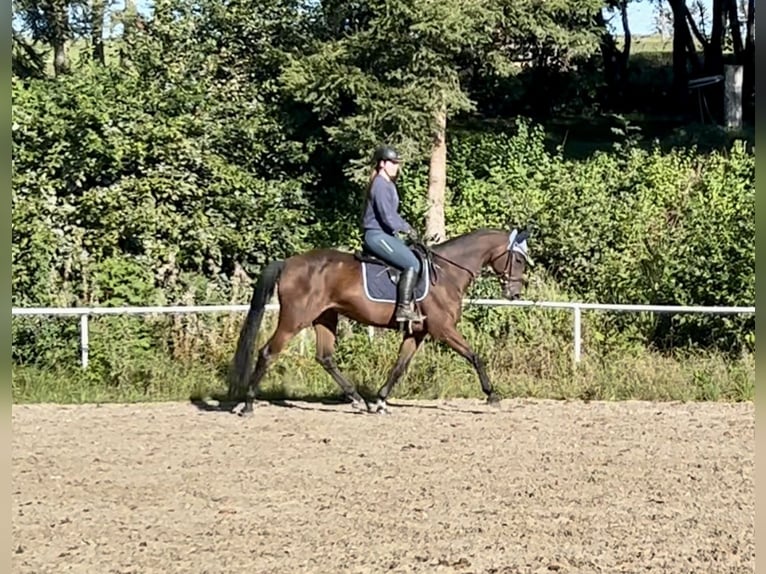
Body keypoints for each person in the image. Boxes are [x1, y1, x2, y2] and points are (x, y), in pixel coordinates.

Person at [360, 144, 427, 323]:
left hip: (385, 235)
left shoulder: (388, 184)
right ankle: (403, 309)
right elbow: (388, 217)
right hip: (376, 235)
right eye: (393, 162)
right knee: (412, 263)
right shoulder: (380, 185)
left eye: (397, 163)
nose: (396, 166)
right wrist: (408, 229)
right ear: (382, 164)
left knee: (415, 254)